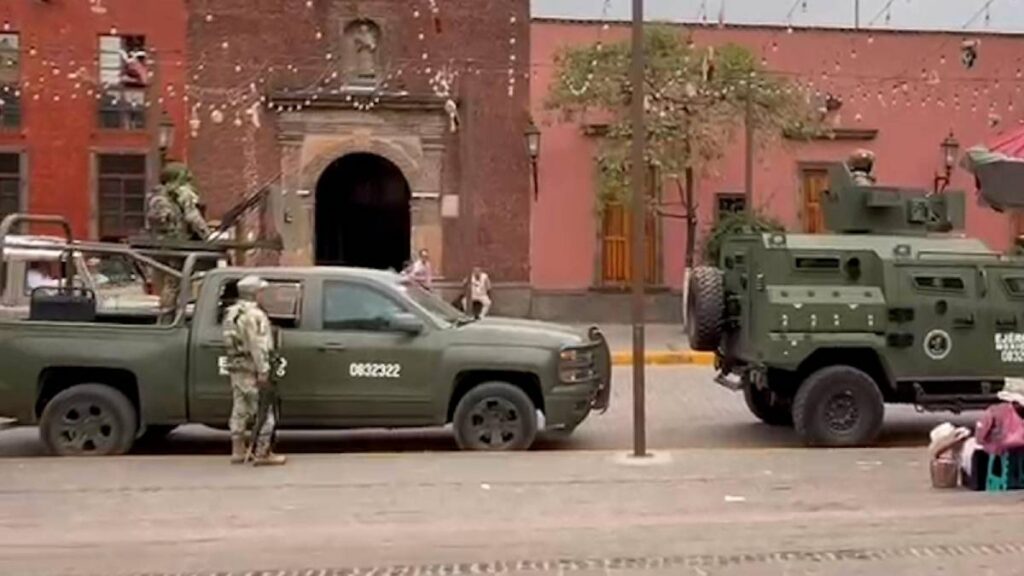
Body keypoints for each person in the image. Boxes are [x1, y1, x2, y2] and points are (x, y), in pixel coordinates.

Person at [222, 275, 286, 466]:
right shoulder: (255, 316)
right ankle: (262, 452)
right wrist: (263, 370)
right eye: (262, 291)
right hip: (252, 367)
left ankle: (238, 449)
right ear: (256, 293)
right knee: (263, 410)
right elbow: (257, 345)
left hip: (236, 366)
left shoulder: (231, 313)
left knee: (239, 408)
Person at [146, 162, 213, 310]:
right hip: (175, 244)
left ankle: (169, 312)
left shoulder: (156, 197)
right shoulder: (179, 195)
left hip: (163, 244)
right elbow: (193, 217)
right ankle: (168, 315)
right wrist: (208, 236)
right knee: (173, 283)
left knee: (173, 283)